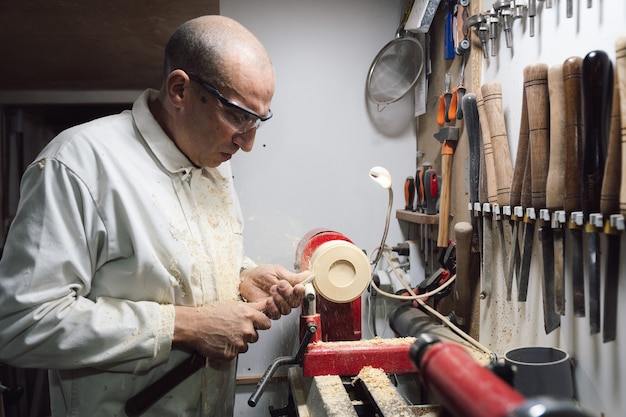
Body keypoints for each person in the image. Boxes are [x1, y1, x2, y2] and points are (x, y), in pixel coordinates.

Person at [0, 15, 309, 416]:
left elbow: (173, 268)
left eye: (258, 120)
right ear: (179, 89)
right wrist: (189, 327)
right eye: (237, 115)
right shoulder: (78, 163)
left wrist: (242, 278)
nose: (248, 143)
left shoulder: (214, 162)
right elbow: (22, 323)